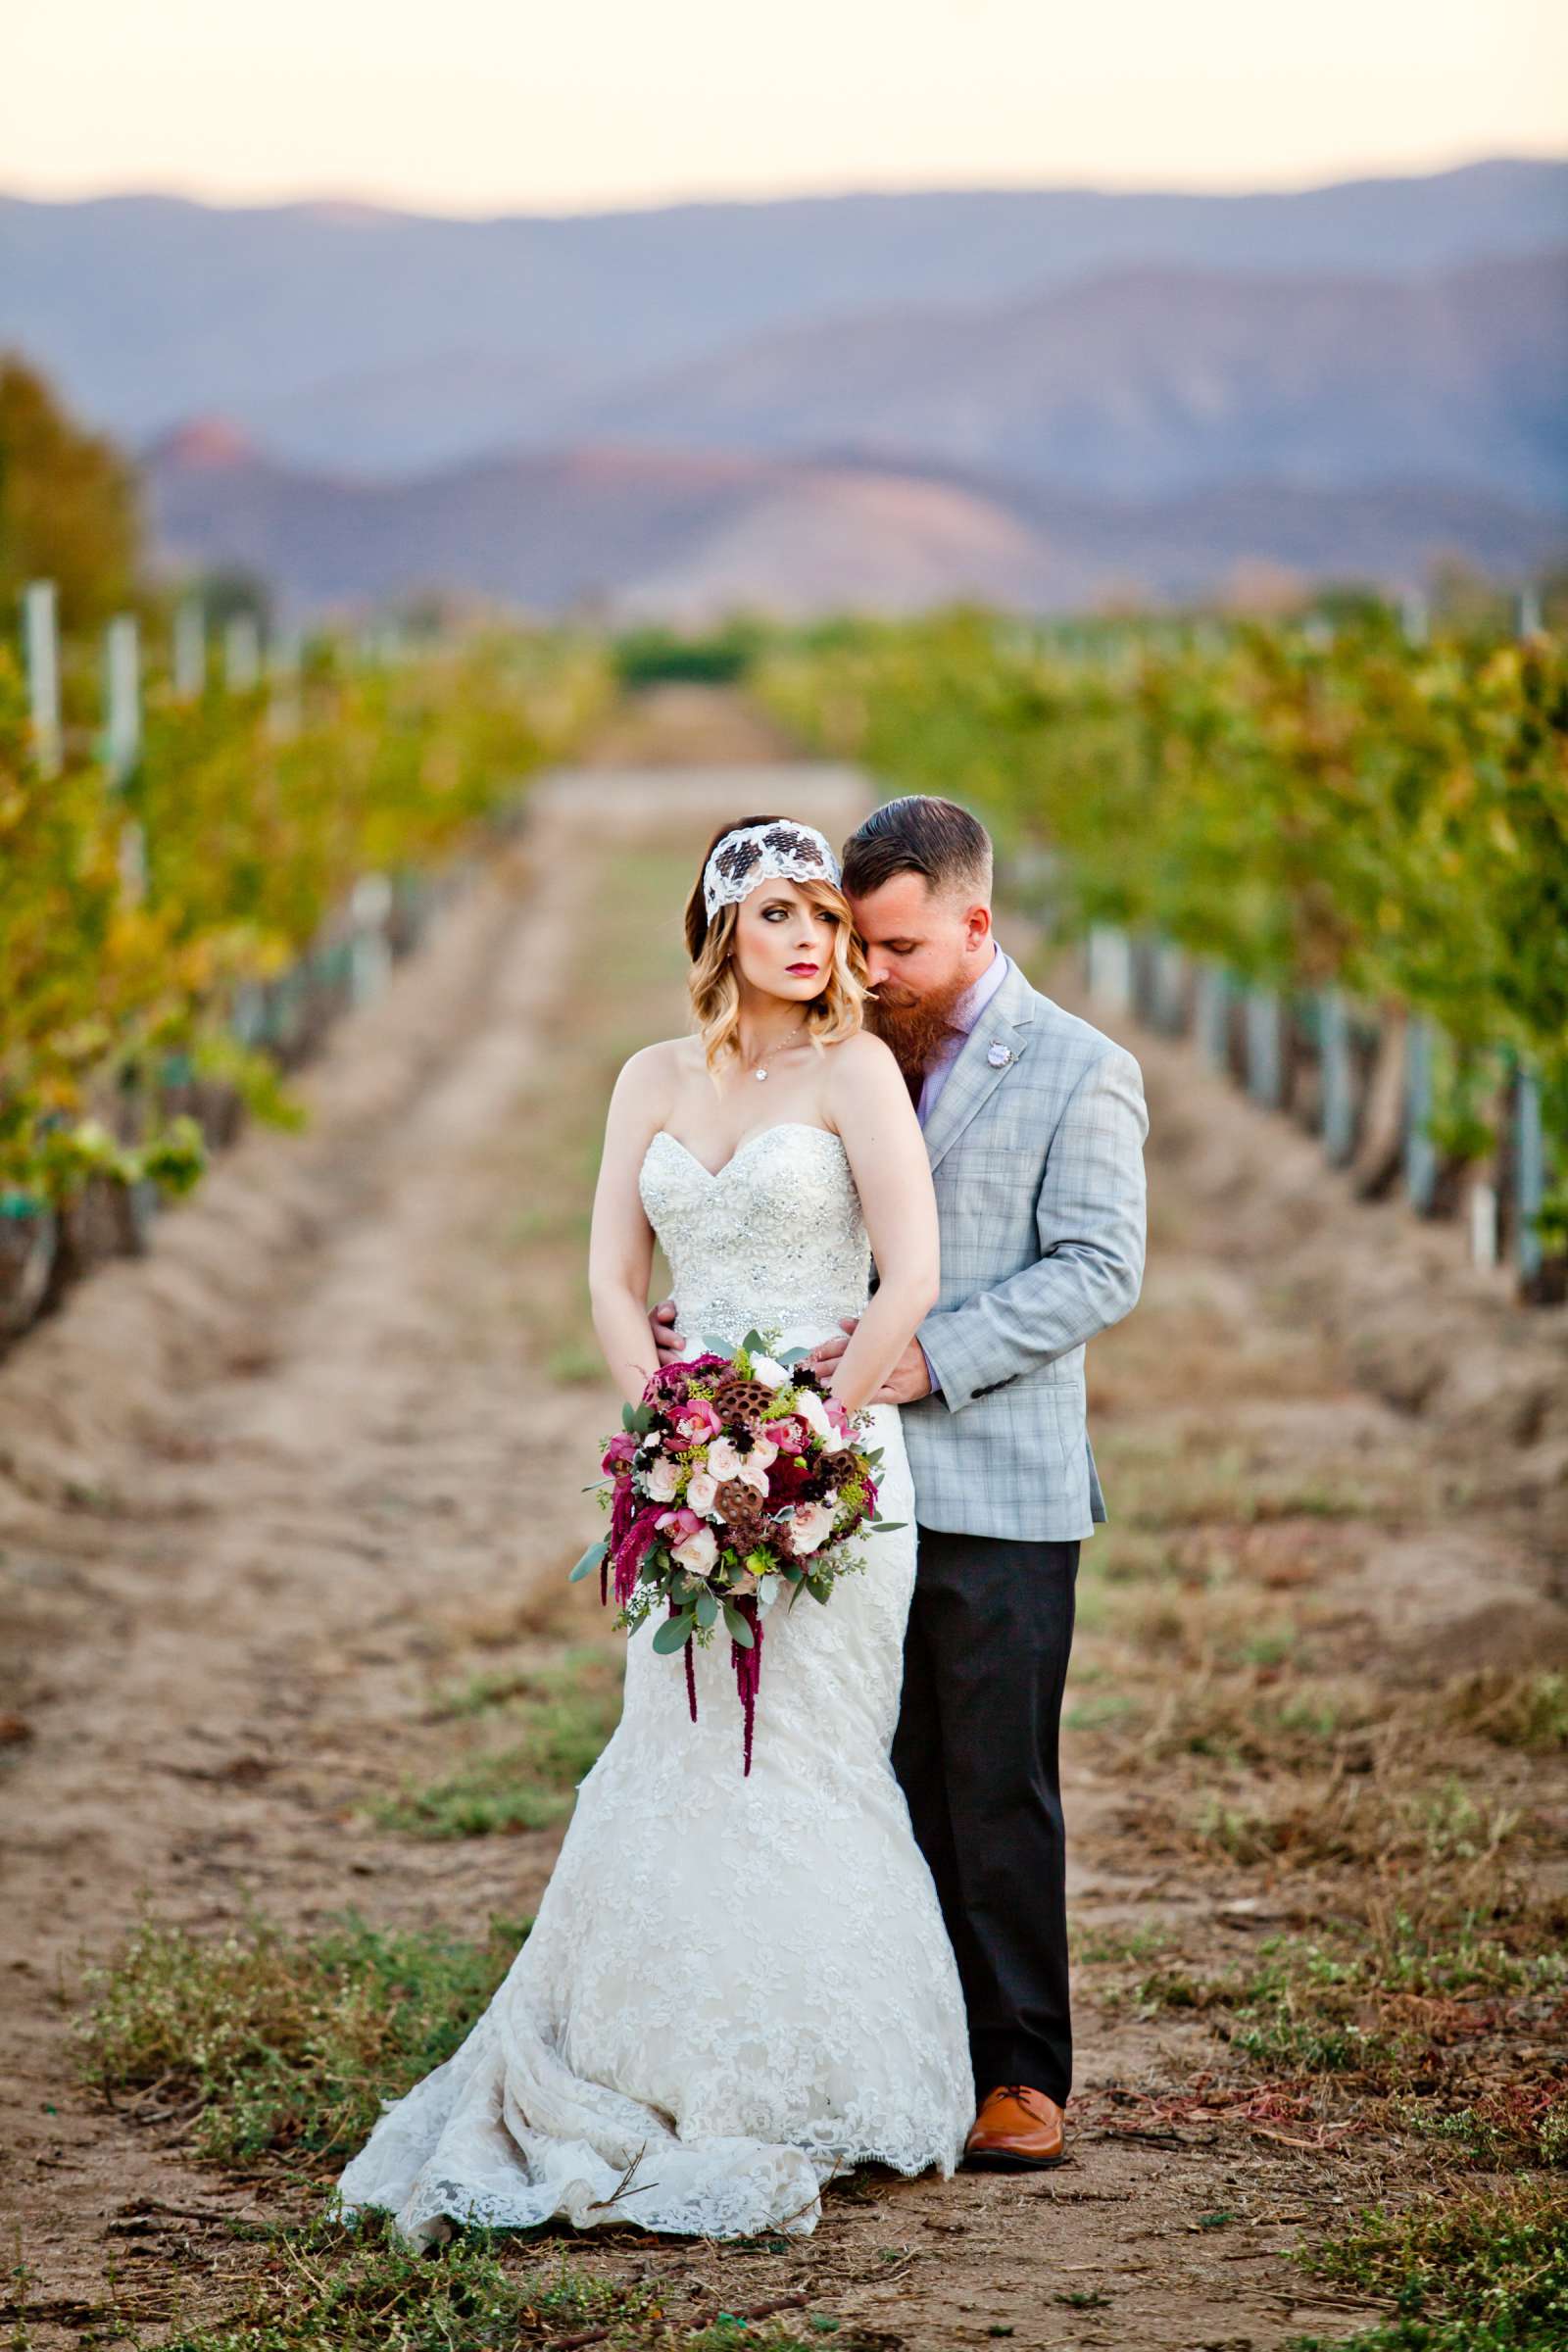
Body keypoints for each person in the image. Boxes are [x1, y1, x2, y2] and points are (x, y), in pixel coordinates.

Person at [333, 815, 973, 2248]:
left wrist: (803, 1440)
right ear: (721, 935)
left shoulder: (856, 1068)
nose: (813, 943)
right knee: (679, 1751)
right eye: (780, 919)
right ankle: (650, 2059)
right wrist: (675, 1438)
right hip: (689, 1464)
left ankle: (815, 2063)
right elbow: (615, 1277)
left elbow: (912, 1271)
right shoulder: (649, 1080)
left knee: (806, 1756)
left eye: (825, 918)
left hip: (833, 1464)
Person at [656, 794, 1150, 2172]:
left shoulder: (1082, 1069)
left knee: (994, 1779)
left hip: (999, 1479)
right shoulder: (845, 1047)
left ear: (977, 924)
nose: (872, 974)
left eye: (900, 949)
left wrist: (931, 1360)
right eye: (856, 947)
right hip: (842, 1488)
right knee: (868, 1774)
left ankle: (1019, 2076)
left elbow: (1102, 1268)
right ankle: (899, 2050)